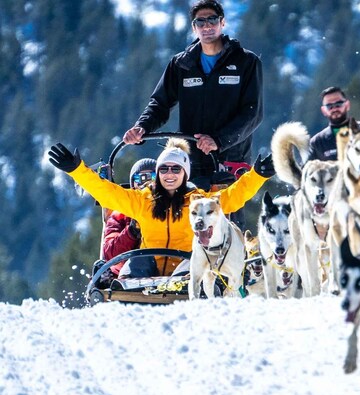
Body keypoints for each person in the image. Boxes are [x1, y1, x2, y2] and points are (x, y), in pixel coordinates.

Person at [48, 139, 276, 279]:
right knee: (136, 260)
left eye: (175, 169)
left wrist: (257, 175)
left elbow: (232, 197)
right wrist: (76, 170)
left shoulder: (197, 201)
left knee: (195, 262)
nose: (169, 174)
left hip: (185, 266)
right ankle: (124, 293)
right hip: (147, 269)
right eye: (164, 169)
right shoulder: (142, 200)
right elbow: (106, 192)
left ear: (185, 173)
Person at [122, 0, 262, 227]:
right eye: (200, 21)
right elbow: (159, 103)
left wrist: (219, 140)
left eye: (212, 20)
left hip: (231, 159)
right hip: (192, 160)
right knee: (190, 221)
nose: (207, 26)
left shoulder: (246, 62)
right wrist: (142, 127)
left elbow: (253, 113)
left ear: (222, 23)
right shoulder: (181, 64)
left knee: (227, 223)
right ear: (194, 27)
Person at [96, 158, 157, 285]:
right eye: (140, 179)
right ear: (132, 183)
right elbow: (109, 253)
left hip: (167, 266)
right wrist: (131, 232)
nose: (145, 184)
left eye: (151, 177)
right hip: (128, 272)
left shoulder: (173, 209)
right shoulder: (120, 215)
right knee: (140, 259)